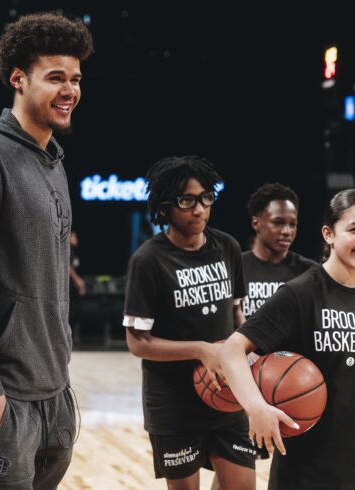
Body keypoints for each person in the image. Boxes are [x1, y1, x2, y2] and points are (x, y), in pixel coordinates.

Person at [0, 11, 93, 489]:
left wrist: (63, 388)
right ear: (18, 79)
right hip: (7, 398)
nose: (69, 90)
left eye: (75, 79)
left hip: (56, 394)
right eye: (55, 78)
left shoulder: (54, 163)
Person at [123, 155, 257, 490]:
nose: (198, 209)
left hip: (227, 395)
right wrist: (201, 350)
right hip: (174, 403)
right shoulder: (148, 260)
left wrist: (249, 352)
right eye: (187, 201)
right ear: (165, 206)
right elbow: (138, 342)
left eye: (205, 199)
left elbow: (237, 316)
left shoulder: (227, 247)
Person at [217, 189, 355, 489]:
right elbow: (231, 350)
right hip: (308, 469)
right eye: (354, 230)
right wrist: (256, 407)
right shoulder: (301, 293)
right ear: (328, 234)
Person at [242, 182, 317, 319]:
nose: (287, 231)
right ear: (256, 223)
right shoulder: (236, 267)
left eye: (292, 224)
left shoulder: (310, 271)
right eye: (278, 222)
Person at [69, 231, 87, 345]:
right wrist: (78, 281)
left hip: (73, 289)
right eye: (73, 237)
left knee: (76, 311)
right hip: (68, 288)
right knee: (70, 313)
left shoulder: (74, 253)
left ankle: (74, 337)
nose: (76, 239)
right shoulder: (67, 253)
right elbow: (68, 268)